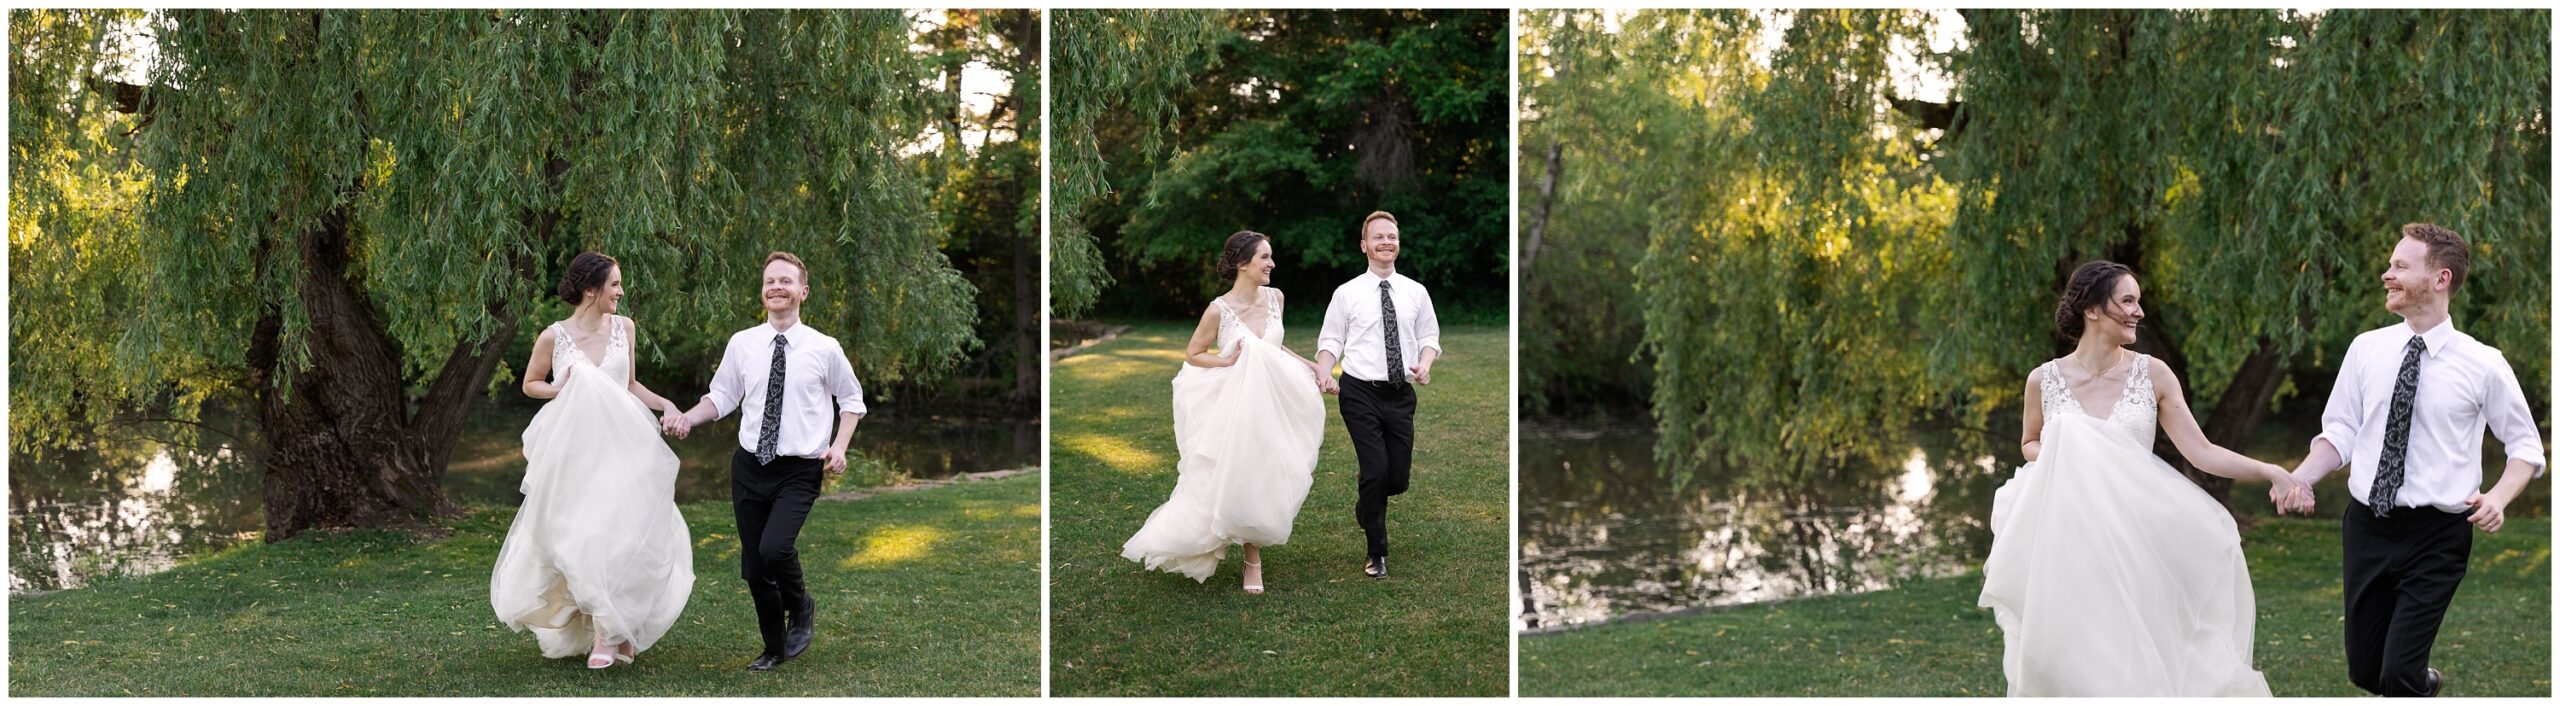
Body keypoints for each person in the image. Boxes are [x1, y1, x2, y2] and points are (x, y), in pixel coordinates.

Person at [1978, 260, 2296, 696]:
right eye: (2127, 301)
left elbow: (2200, 452)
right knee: (2075, 655)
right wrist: (2067, 446)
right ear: (2092, 309)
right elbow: (2030, 444)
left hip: (2139, 540)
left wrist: (2270, 471)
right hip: (2070, 540)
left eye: (2138, 301)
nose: (2139, 312)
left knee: (2138, 654)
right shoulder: (2043, 380)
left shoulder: (2153, 374)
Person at [2278, 224, 2545, 697]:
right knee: (2366, 671)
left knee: (2397, 674)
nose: (2387, 274)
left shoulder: (2484, 364)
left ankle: (2412, 680)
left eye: (2400, 266)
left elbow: (2525, 447)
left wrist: (2500, 498)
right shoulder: (2366, 349)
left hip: (2438, 536)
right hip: (2366, 526)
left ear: (2441, 279)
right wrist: (2299, 477)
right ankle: (2426, 682)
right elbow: (2339, 431)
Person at [491, 251, 697, 670]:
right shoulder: (554, 336)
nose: (621, 292)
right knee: (587, 537)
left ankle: (612, 632)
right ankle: (609, 631)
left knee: (625, 536)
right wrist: (562, 386)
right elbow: (531, 384)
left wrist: (667, 405)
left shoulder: (626, 328)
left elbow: (631, 384)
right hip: (577, 452)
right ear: (591, 289)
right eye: (615, 284)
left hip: (627, 448)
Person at [667, 251, 867, 672]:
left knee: (775, 548)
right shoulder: (743, 343)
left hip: (799, 469)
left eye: (786, 281)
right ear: (763, 291)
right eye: (770, 281)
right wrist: (688, 418)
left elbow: (852, 400)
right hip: (749, 467)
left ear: (803, 292)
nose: (776, 287)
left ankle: (802, 606)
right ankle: (774, 648)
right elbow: (722, 398)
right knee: (755, 568)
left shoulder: (824, 348)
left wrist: (840, 446)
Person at [1122, 231, 1329, 594]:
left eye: (1271, 257)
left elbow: (1275, 348)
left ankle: (1251, 548)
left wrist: (1311, 367)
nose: (1272, 264)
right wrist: (1223, 360)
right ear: (1242, 264)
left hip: (1275, 401)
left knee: (1266, 472)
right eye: (1265, 258)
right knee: (1239, 472)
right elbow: (1193, 353)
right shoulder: (1219, 309)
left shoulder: (1276, 298)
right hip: (1235, 402)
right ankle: (1251, 560)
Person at [1314, 211, 1441, 579]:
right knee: (1375, 470)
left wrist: (1426, 363)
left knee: (1396, 479)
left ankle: (1366, 504)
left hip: (1401, 394)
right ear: (1364, 245)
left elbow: (1429, 338)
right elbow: (1331, 340)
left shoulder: (1416, 292)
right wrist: (1324, 369)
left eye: (1393, 237)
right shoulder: (1347, 293)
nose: (1387, 242)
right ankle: (1376, 551)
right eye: (1379, 237)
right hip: (1358, 392)